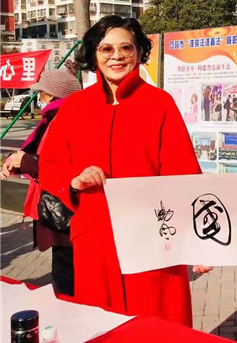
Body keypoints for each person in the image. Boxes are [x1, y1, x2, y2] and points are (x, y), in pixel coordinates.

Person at [39, 16, 211, 326]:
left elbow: (184, 175)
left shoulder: (160, 104)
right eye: (106, 49)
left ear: (138, 52)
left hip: (154, 237)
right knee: (102, 331)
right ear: (94, 54)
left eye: (125, 48)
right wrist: (74, 181)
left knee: (159, 330)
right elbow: (51, 166)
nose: (116, 56)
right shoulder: (75, 108)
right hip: (95, 240)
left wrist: (197, 241)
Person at [1, 68, 82, 296]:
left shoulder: (68, 118)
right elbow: (38, 152)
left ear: (53, 94)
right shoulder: (52, 117)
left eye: (42, 93)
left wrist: (25, 161)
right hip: (58, 210)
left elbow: (64, 163)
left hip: (66, 212)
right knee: (64, 271)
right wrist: (18, 161)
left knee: (68, 280)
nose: (39, 97)